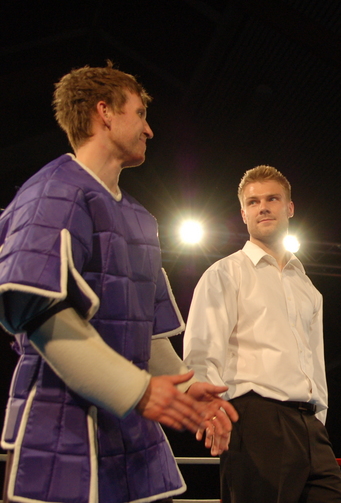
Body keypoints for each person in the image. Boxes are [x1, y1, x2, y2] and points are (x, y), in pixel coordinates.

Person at [0, 62, 238, 503]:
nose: (149, 129)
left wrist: (185, 390)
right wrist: (137, 390)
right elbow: (40, 317)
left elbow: (146, 334)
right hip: (60, 430)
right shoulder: (50, 192)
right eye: (140, 113)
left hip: (130, 438)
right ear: (104, 112)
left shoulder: (142, 221)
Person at [183, 165, 341, 503]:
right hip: (254, 421)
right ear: (243, 214)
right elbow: (201, 351)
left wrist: (318, 420)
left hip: (311, 427)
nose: (263, 207)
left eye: (272, 199)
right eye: (253, 202)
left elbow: (315, 361)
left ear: (290, 208)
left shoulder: (307, 287)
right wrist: (210, 409)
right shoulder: (224, 273)